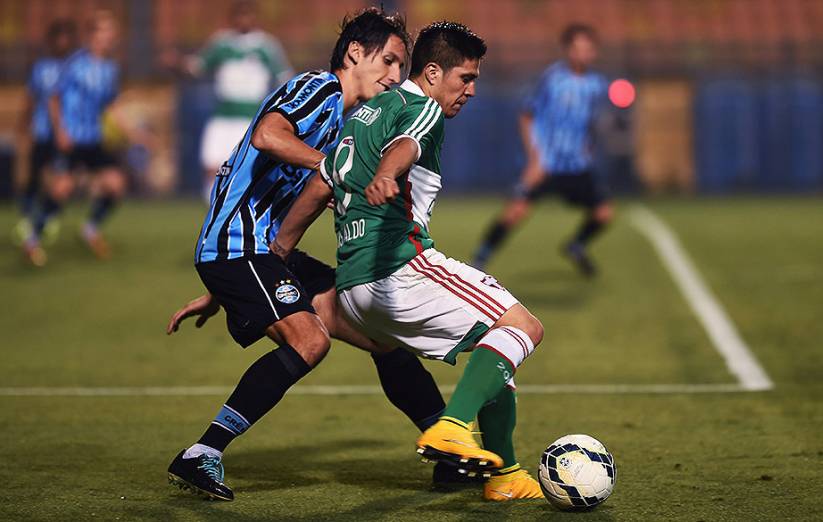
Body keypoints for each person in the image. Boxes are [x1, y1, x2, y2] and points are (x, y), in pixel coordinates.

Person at [164, 9, 456, 502]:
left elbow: (295, 202)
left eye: (401, 67)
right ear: (354, 53)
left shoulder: (343, 120)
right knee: (309, 341)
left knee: (380, 332)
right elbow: (267, 136)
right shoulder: (319, 89)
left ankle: (449, 453)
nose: (394, 76)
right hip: (239, 248)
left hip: (256, 253)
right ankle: (202, 453)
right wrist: (333, 166)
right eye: (388, 61)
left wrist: (217, 292)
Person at [273, 21, 545, 502]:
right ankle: (452, 426)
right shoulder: (421, 108)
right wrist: (385, 174)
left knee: (494, 351)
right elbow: (408, 147)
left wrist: (278, 252)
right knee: (522, 326)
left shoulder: (361, 115)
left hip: (355, 291)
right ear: (434, 72)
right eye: (466, 78)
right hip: (400, 268)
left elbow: (320, 184)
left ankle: (506, 474)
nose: (472, 91)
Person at [472, 24, 613, 277]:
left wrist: (589, 147)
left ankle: (576, 245)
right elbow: (527, 116)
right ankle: (479, 259)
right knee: (516, 211)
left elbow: (591, 122)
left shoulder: (597, 84)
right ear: (567, 50)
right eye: (577, 48)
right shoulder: (553, 79)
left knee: (603, 214)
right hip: (546, 164)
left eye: (588, 49)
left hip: (577, 165)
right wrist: (535, 158)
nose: (582, 53)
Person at [23, 10, 126, 265]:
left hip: (93, 140)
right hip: (72, 138)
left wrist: (131, 132)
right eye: (102, 31)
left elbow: (110, 106)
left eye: (110, 31)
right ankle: (33, 238)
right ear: (91, 35)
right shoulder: (75, 62)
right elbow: (53, 98)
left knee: (115, 184)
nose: (108, 36)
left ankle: (90, 229)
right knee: (62, 188)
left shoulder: (110, 69)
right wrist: (60, 131)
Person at [164, 0, 292, 202]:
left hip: (250, 116)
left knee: (247, 166)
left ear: (255, 18)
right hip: (223, 115)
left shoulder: (266, 46)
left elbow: (284, 78)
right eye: (240, 16)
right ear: (233, 19)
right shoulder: (221, 43)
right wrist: (177, 63)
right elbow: (196, 67)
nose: (244, 20)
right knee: (212, 164)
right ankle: (213, 207)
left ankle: (246, 206)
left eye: (248, 15)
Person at [13, 19, 78, 255]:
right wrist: (23, 124)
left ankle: (45, 219)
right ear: (52, 41)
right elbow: (31, 98)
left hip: (63, 135)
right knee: (34, 179)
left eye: (66, 37)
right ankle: (29, 219)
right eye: (58, 37)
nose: (63, 42)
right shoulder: (40, 67)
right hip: (41, 132)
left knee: (61, 180)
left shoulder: (73, 67)